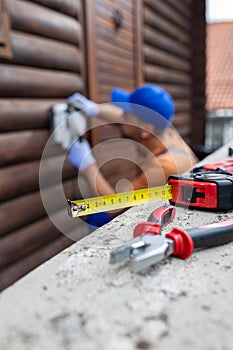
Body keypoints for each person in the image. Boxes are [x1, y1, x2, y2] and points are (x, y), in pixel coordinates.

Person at [67, 84, 198, 228]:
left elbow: (114, 207)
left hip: (171, 222)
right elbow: (125, 118)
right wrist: (93, 108)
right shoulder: (168, 134)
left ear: (146, 130)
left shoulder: (164, 167)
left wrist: (87, 164)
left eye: (127, 114)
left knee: (99, 217)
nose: (122, 116)